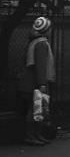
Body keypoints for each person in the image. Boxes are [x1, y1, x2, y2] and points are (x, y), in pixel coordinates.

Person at [17, 16, 56, 146]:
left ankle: (36, 135)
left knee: (35, 110)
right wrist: (42, 84)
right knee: (36, 110)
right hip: (35, 83)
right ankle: (32, 135)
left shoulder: (33, 42)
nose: (51, 30)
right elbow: (41, 65)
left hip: (28, 82)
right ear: (46, 30)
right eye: (50, 28)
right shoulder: (42, 44)